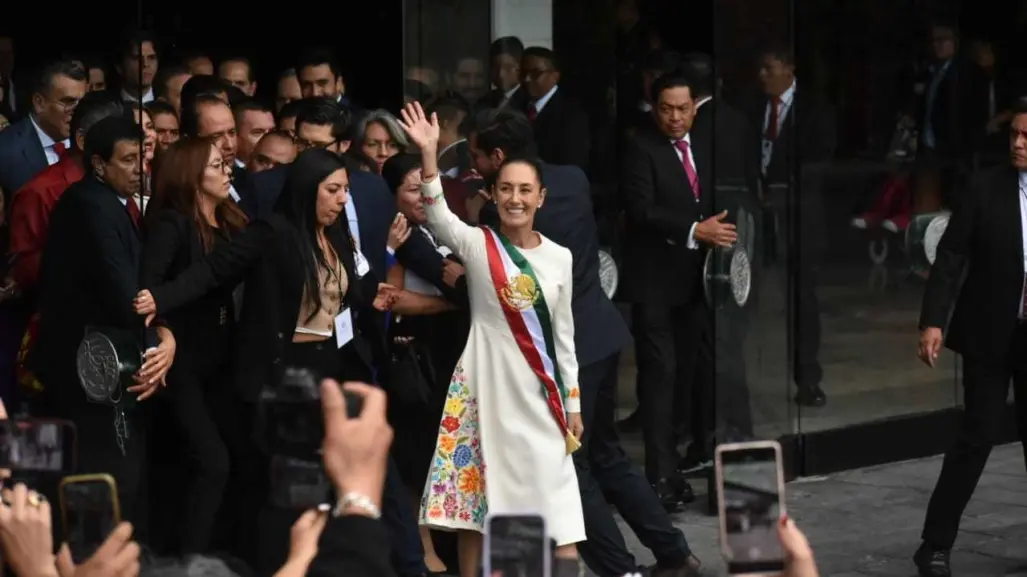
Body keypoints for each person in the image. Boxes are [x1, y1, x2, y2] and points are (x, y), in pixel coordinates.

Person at [397, 101, 584, 577]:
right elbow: (437, 214)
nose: (515, 199)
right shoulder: (479, 245)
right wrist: (428, 154)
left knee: (560, 520)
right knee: (476, 512)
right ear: (493, 193)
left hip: (543, 404)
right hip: (486, 395)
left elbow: (563, 338)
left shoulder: (560, 258)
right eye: (506, 189)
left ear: (541, 197)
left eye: (525, 190)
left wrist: (574, 404)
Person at [30, 115, 176, 538]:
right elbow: (122, 291)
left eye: (142, 157)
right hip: (91, 371)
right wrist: (162, 335)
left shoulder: (107, 200)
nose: (139, 169)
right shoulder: (90, 205)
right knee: (107, 479)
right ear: (98, 163)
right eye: (128, 160)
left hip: (102, 363)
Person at [914, 98, 1027, 577]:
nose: (1018, 144)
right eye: (1015, 135)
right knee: (974, 440)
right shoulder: (985, 188)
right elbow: (951, 257)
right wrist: (933, 320)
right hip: (991, 333)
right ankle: (935, 545)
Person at [140, 137, 248, 555]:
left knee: (228, 459)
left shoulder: (231, 219)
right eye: (217, 167)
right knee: (211, 461)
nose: (227, 173)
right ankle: (190, 561)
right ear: (191, 175)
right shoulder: (173, 223)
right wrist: (164, 330)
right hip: (180, 360)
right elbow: (148, 293)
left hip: (221, 358)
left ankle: (214, 552)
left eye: (227, 166)